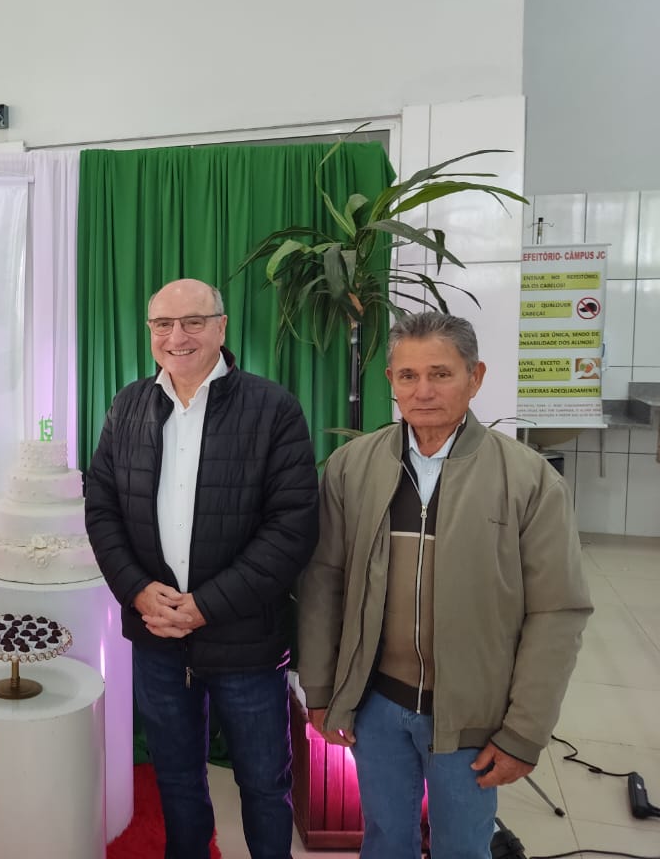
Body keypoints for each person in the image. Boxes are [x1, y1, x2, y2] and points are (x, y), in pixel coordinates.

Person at [298, 311, 593, 858]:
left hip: (471, 719)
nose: (424, 391)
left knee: (463, 846)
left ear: (474, 378)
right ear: (390, 381)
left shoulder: (528, 480)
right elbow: (324, 582)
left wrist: (524, 732)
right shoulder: (351, 467)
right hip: (375, 707)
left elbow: (558, 612)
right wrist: (319, 690)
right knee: (385, 839)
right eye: (408, 376)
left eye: (441, 374)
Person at [85, 278, 319, 859]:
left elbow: (292, 527)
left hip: (245, 638)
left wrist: (207, 606)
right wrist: (137, 591)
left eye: (193, 322)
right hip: (157, 635)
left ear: (221, 327)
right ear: (150, 332)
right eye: (162, 324)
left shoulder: (273, 408)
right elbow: (102, 508)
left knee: (264, 782)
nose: (177, 337)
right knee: (176, 777)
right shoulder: (128, 404)